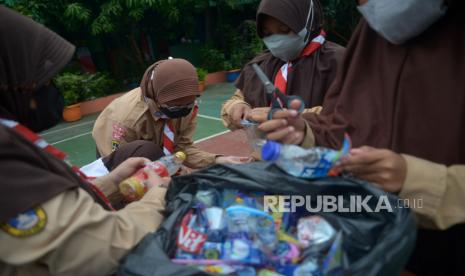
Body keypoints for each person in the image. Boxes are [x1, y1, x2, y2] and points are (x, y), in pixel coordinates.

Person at [249, 0, 465, 274]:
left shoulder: (334, 57)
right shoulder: (370, 38)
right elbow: (342, 126)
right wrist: (305, 132)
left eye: (284, 30)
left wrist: (418, 180)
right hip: (363, 245)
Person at [0, 7, 170, 275]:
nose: (53, 89)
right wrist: (160, 194)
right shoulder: (6, 164)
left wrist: (110, 184)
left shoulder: (10, 136)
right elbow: (103, 250)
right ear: (10, 77)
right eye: (44, 80)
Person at [92, 58, 251, 172]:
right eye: (175, 107)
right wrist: (164, 174)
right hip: (116, 154)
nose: (182, 110)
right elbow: (119, 169)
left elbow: (181, 148)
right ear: (156, 99)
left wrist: (218, 160)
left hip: (157, 155)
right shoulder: (126, 119)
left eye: (187, 104)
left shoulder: (186, 105)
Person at [221, 0, 345, 131]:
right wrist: (236, 106)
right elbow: (237, 98)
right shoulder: (261, 64)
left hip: (323, 150)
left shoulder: (340, 61)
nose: (276, 39)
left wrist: (290, 118)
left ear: (307, 23)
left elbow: (354, 114)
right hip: (265, 150)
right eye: (267, 33)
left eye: (285, 29)